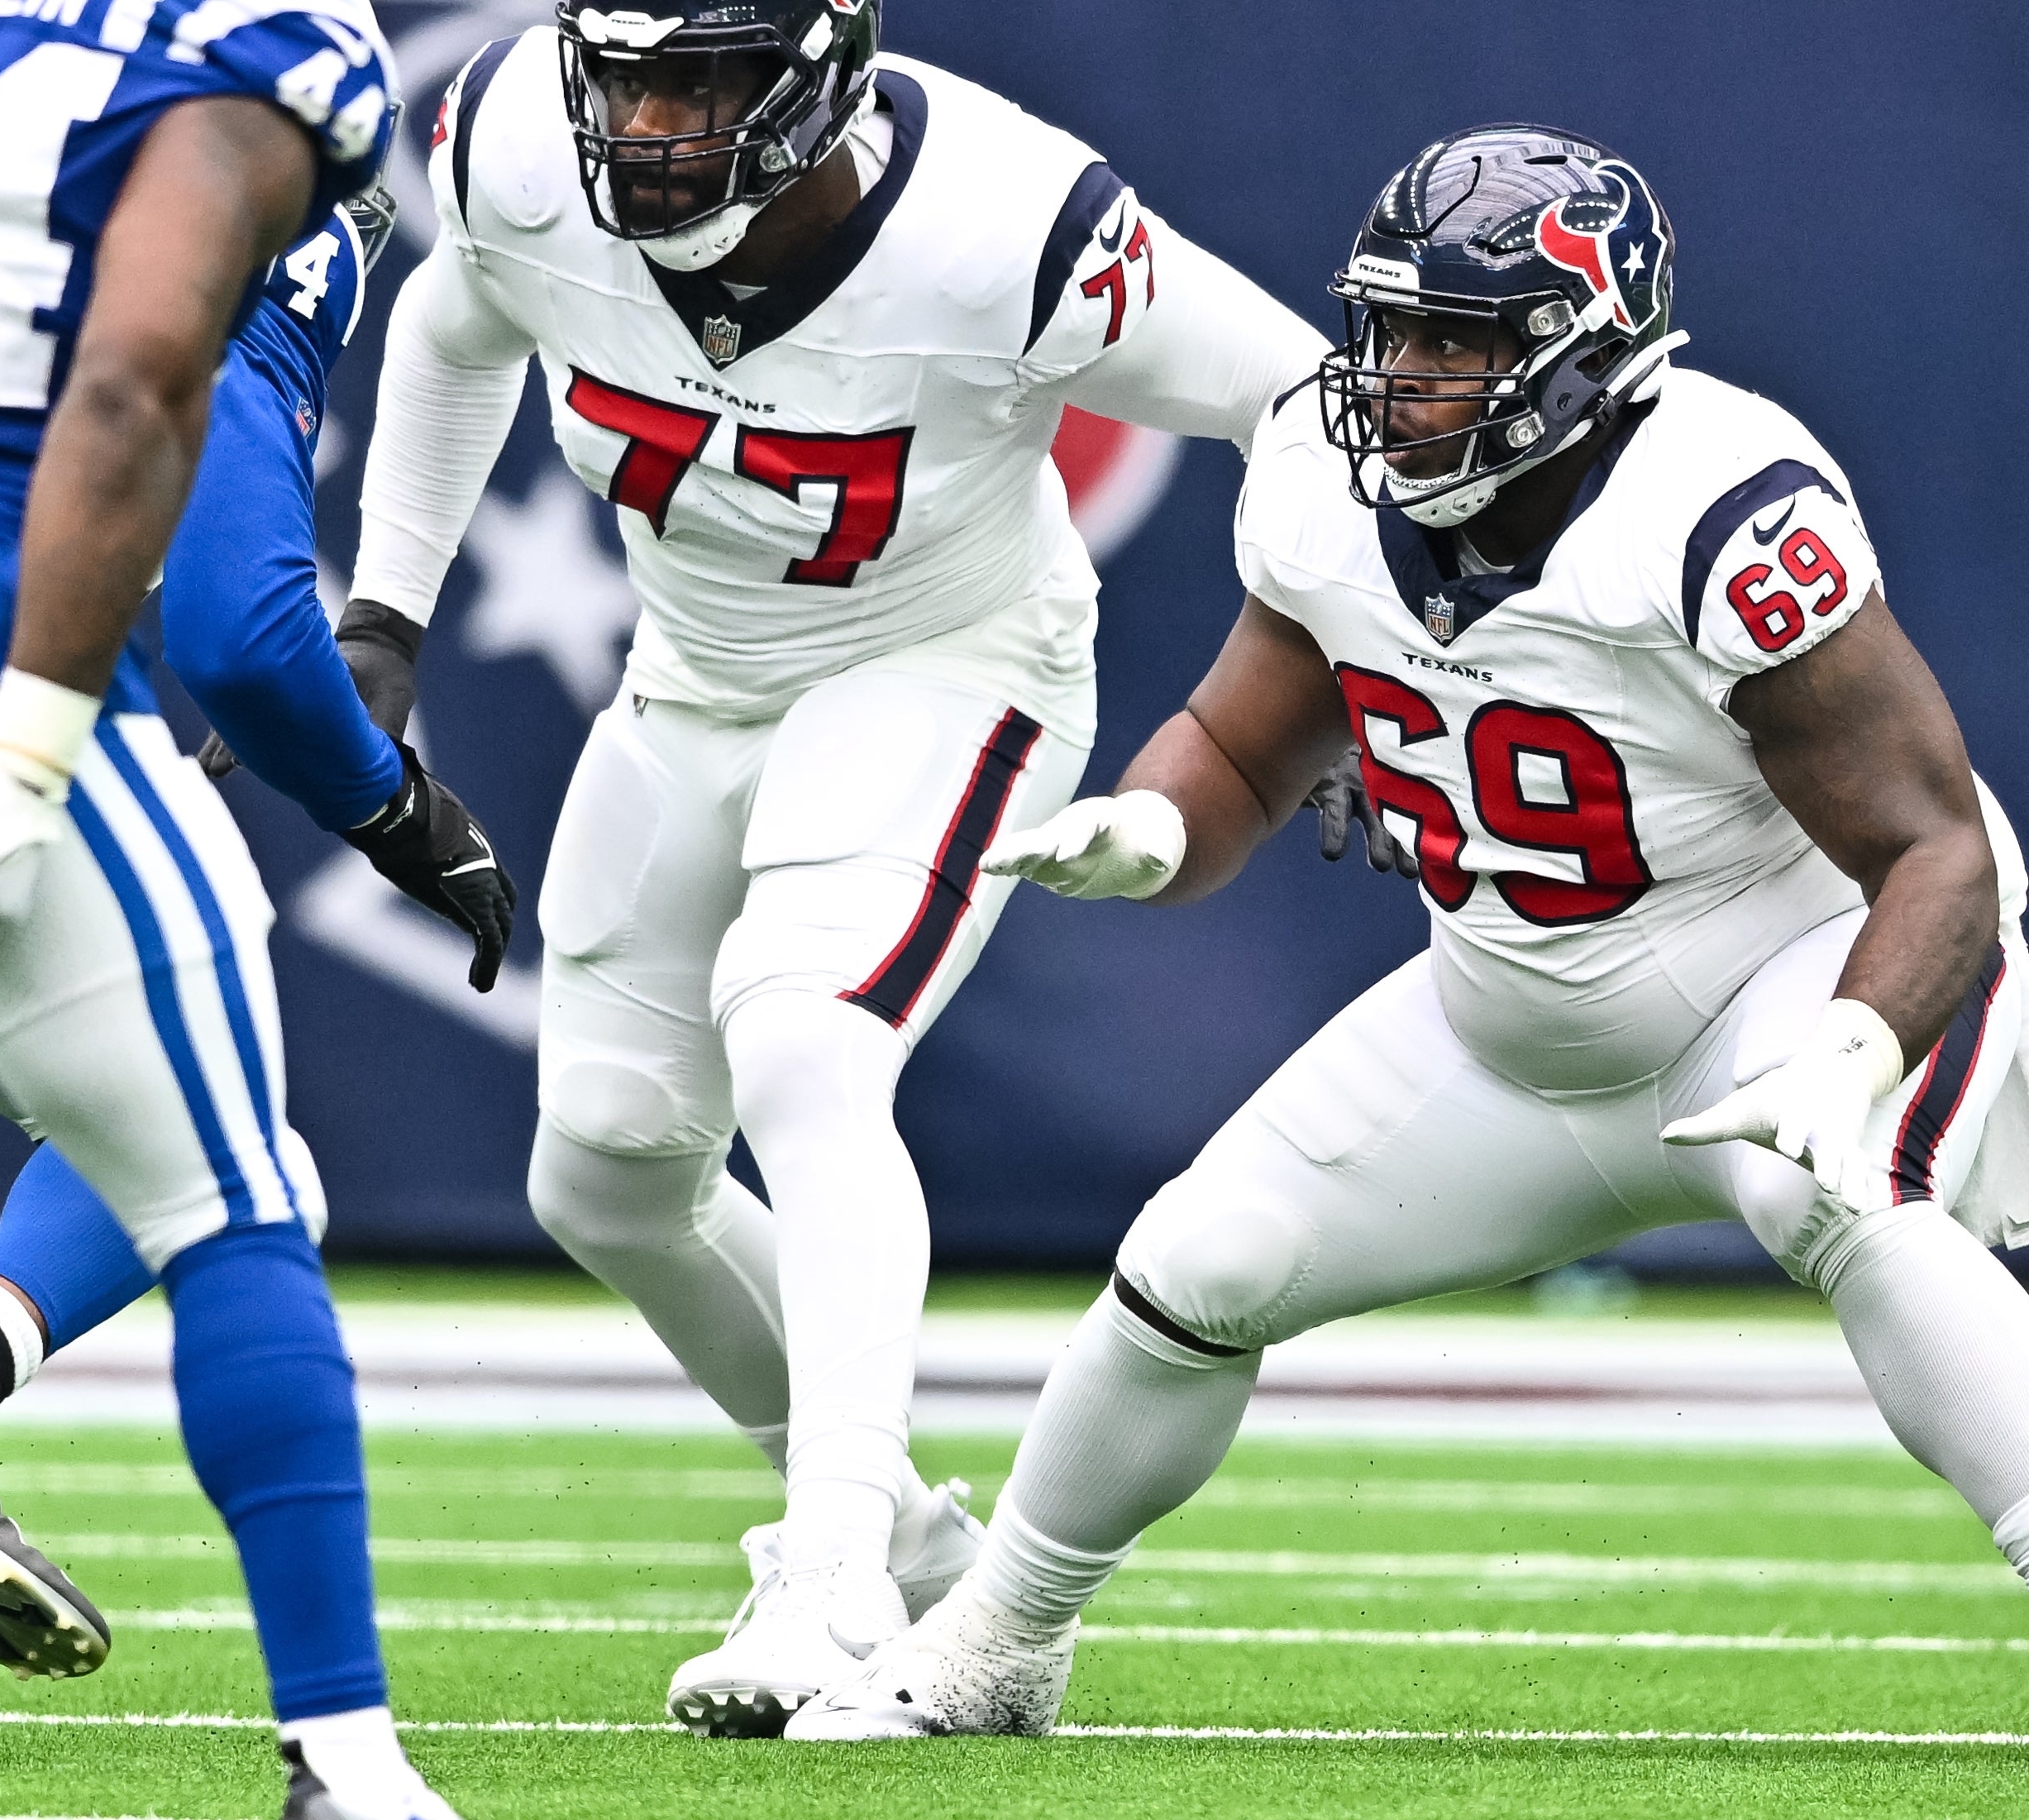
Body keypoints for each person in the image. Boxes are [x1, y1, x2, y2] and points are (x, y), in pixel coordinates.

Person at [789, 124, 2029, 1768]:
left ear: (1587, 350)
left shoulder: (1713, 502)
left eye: (1459, 342)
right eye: (1391, 332)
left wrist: (1854, 1043)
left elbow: (1933, 846)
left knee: (1842, 1197)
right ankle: (994, 1638)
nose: (1403, 379)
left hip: (1779, 962)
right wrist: (1154, 826)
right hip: (1510, 1011)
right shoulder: (1321, 479)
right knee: (1197, 1265)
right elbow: (1252, 742)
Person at [343, 0, 1326, 1734]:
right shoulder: (510, 138)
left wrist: (1348, 691)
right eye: (624, 79)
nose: (644, 129)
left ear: (813, 84)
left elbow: (1298, 405)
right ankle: (924, 1548)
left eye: (697, 84)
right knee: (606, 1170)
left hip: (947, 668)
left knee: (805, 1042)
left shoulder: (1006, 227)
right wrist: (383, 615)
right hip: (691, 674)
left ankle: (832, 1575)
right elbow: (452, 320)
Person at [0, 2, 511, 1810]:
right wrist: (390, 808)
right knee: (241, 1193)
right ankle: (345, 1761)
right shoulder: (262, 63)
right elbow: (238, 615)